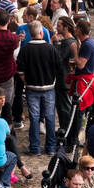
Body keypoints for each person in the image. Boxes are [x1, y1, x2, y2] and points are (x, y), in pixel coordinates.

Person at [18, 21, 58, 157]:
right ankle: (51, 147)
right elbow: (57, 68)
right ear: (41, 33)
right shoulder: (51, 49)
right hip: (49, 87)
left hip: (32, 88)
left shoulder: (25, 50)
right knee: (50, 117)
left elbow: (21, 71)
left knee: (34, 118)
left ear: (30, 34)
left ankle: (35, 148)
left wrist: (27, 82)